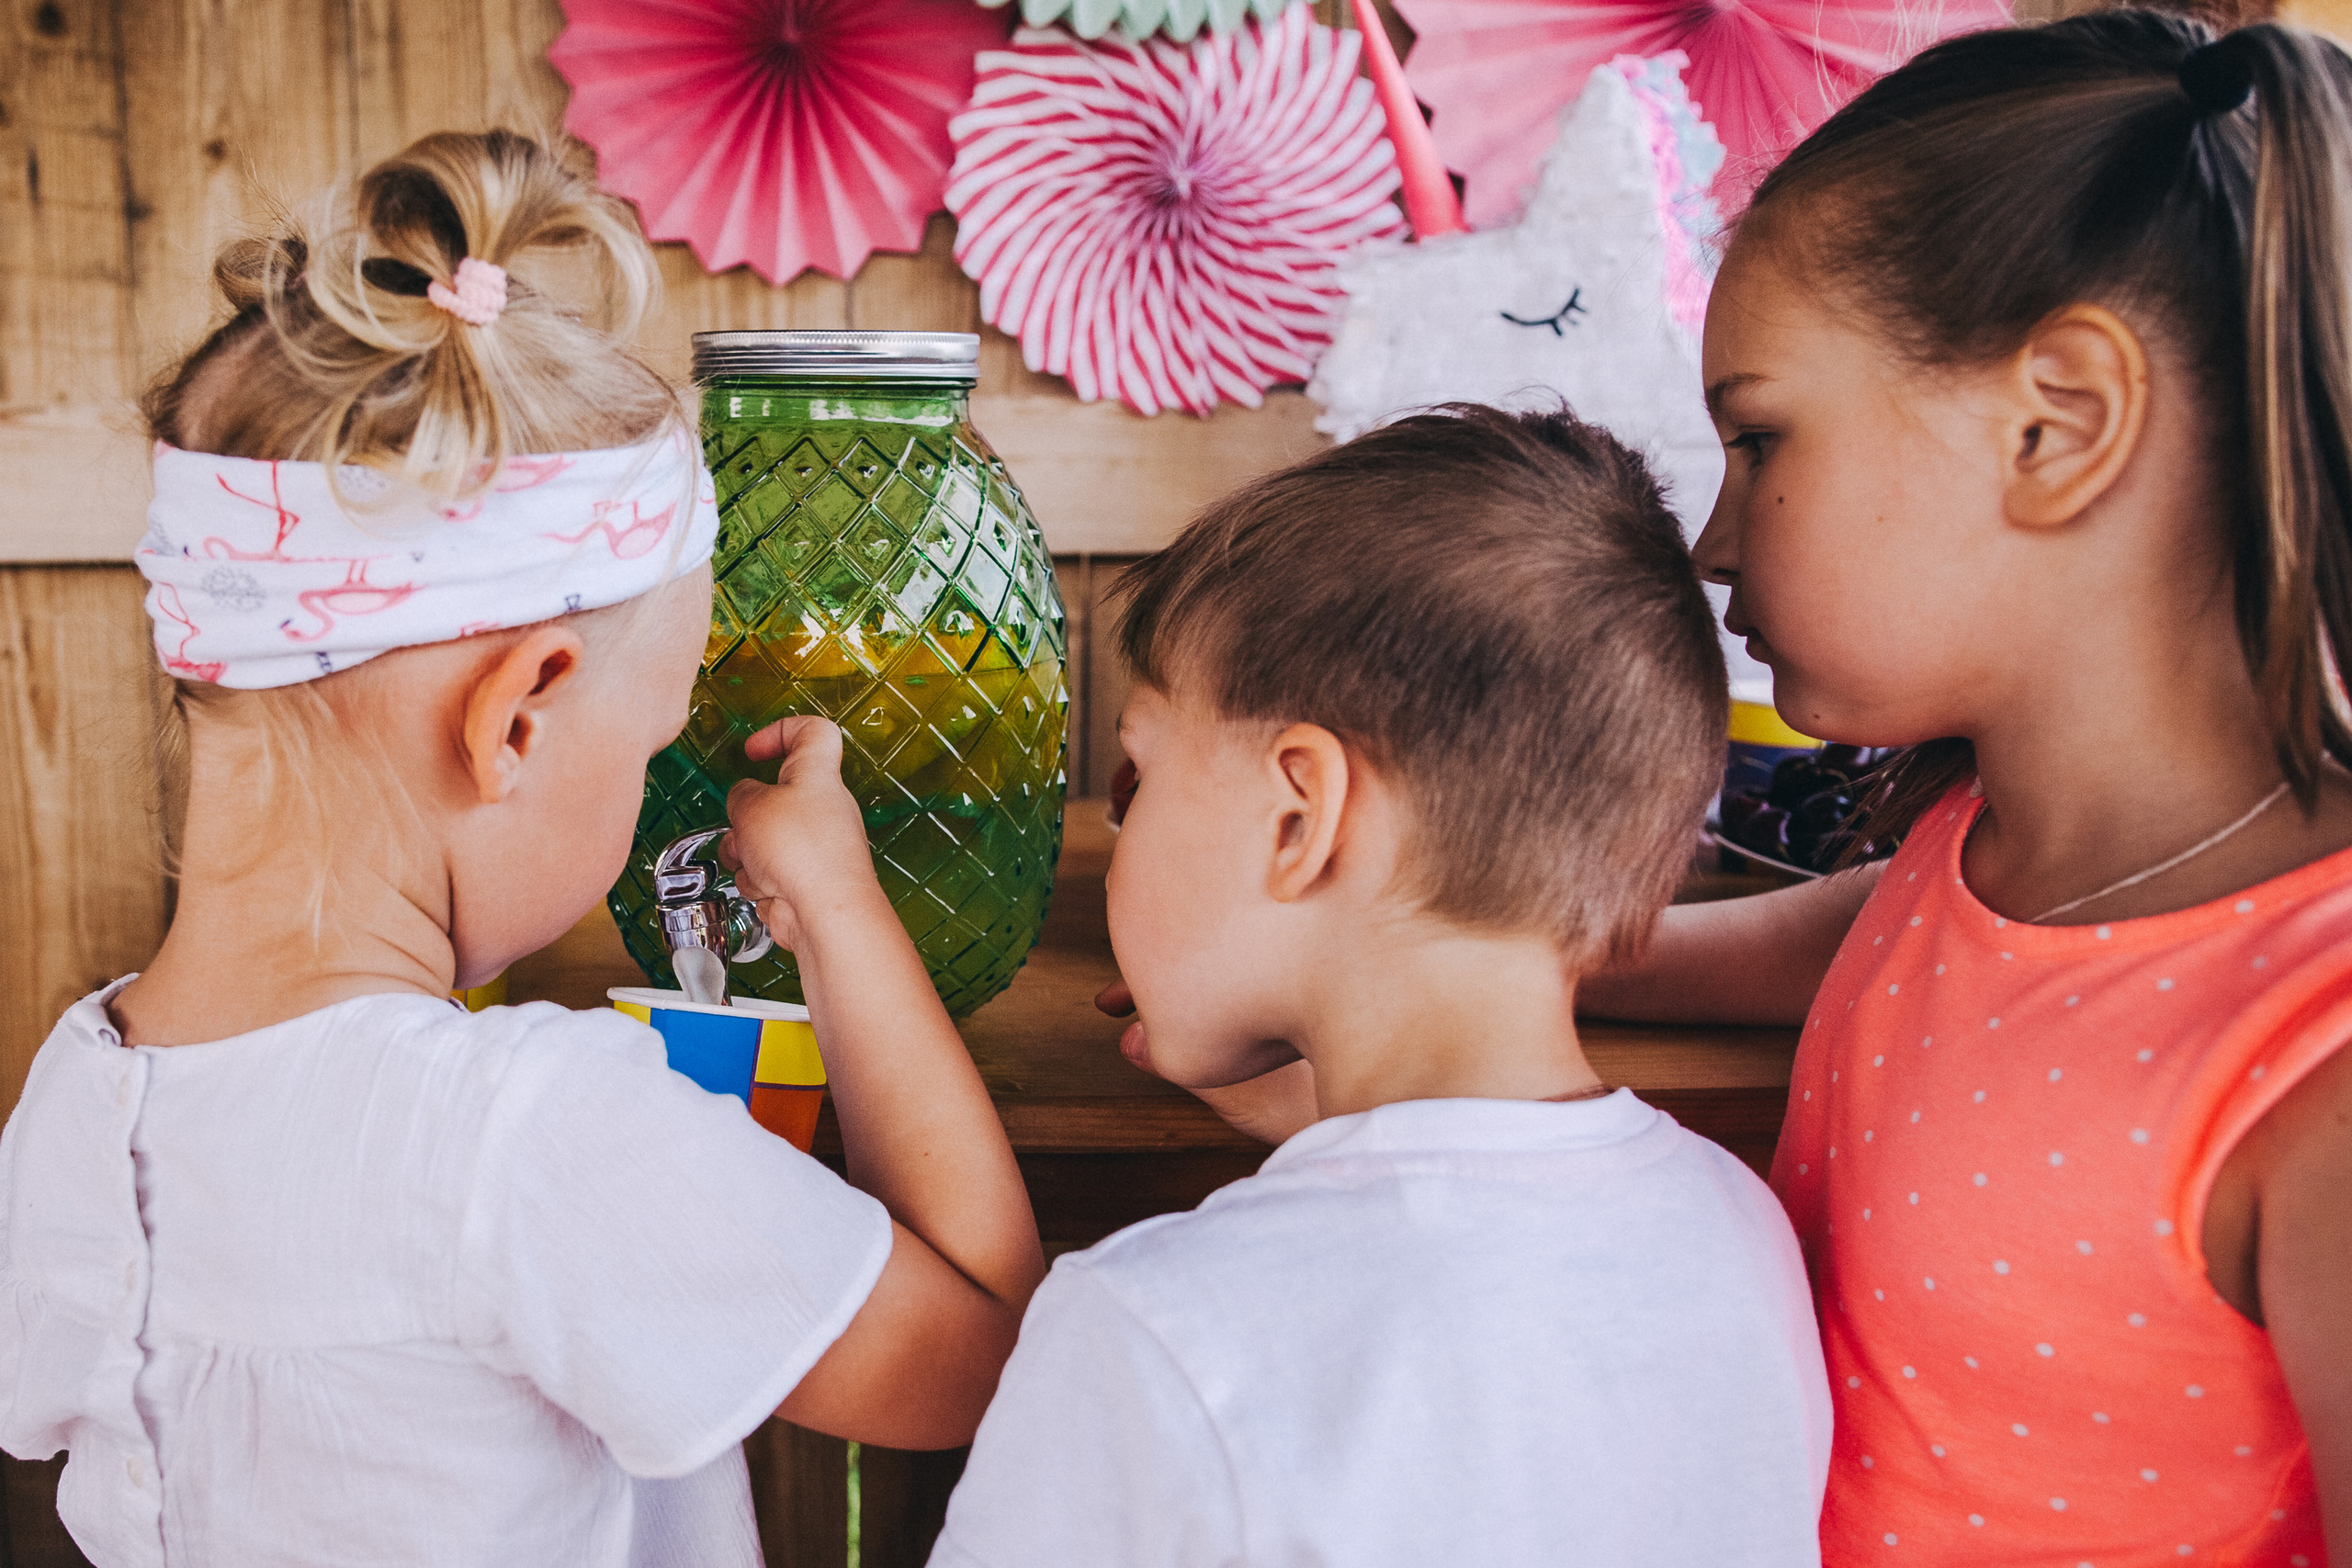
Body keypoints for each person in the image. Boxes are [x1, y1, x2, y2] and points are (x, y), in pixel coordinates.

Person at [1148, 15, 2352, 1562]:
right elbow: (1870, 942)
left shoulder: (2312, 1050)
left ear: (2059, 423)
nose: (1716, 540)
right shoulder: (1985, 859)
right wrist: (1410, 988)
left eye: (1759, 434)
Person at [0, 130, 1044, 1568]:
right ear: (520, 714)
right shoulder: (530, 1133)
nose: (644, 793)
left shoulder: (66, 1099)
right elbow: (985, 1347)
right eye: (645, 746)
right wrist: (844, 905)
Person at [927, 405, 1833, 1568]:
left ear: (1299, 815)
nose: (1120, 821)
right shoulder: (1737, 1235)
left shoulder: (1156, 1333)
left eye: (1137, 775)